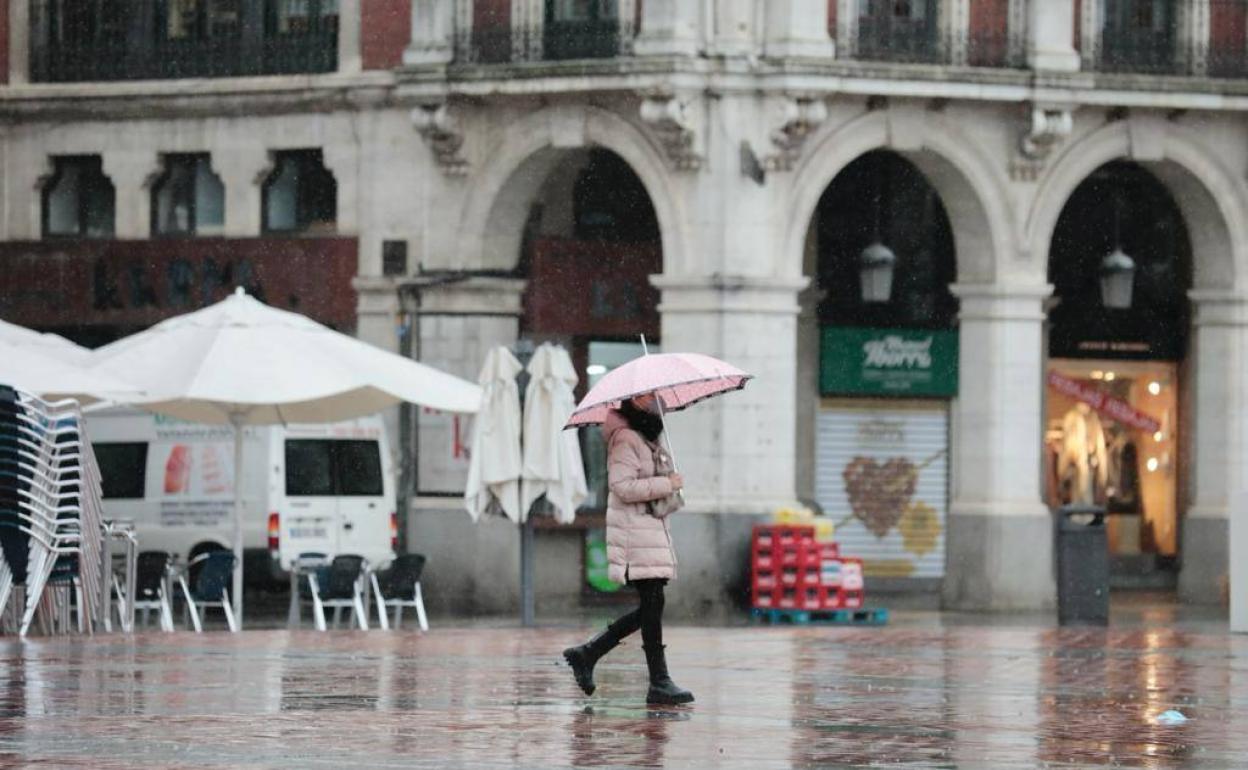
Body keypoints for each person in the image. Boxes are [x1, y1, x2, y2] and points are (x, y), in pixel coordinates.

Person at [563, 392, 694, 705]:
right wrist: (668, 484)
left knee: (653, 605)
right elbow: (622, 487)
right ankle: (658, 681)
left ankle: (590, 653)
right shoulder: (625, 439)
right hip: (635, 533)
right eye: (650, 396)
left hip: (649, 531)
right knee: (652, 604)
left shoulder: (645, 437)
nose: (656, 400)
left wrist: (666, 473)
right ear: (634, 400)